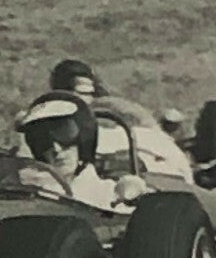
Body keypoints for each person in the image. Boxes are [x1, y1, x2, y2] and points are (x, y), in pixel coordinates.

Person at [48, 58, 193, 181]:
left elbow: (160, 148)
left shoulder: (119, 112)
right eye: (75, 93)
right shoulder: (47, 121)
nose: (82, 98)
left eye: (86, 93)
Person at [15, 91, 122, 211]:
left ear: (84, 137)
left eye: (65, 134)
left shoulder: (107, 194)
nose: (56, 149)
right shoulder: (31, 195)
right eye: (42, 140)